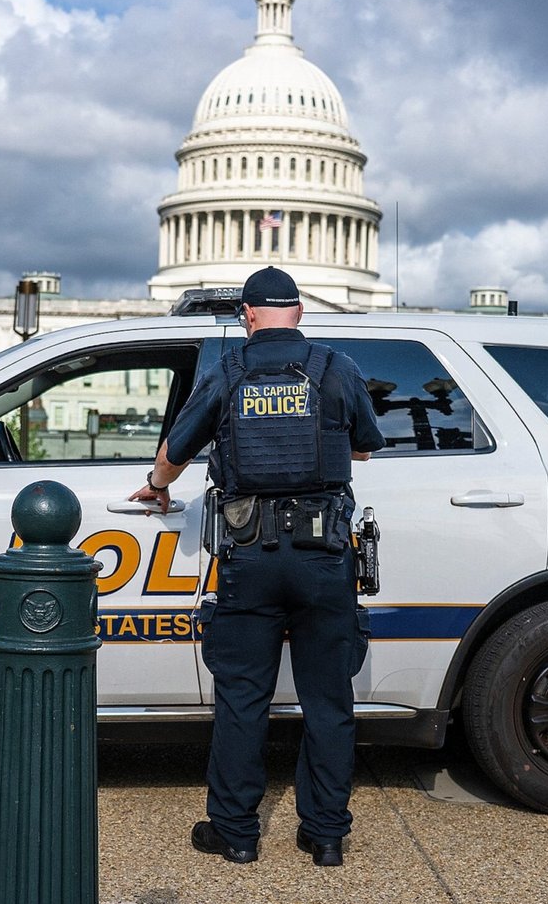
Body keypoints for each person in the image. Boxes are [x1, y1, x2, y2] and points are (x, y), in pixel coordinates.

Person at [128, 266, 384, 867]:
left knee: (243, 697)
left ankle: (237, 833)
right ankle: (325, 835)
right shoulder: (335, 367)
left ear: (247, 314)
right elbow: (366, 445)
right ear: (298, 312)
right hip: (325, 554)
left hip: (250, 553)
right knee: (328, 699)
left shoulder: (229, 371)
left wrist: (156, 486)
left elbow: (175, 452)